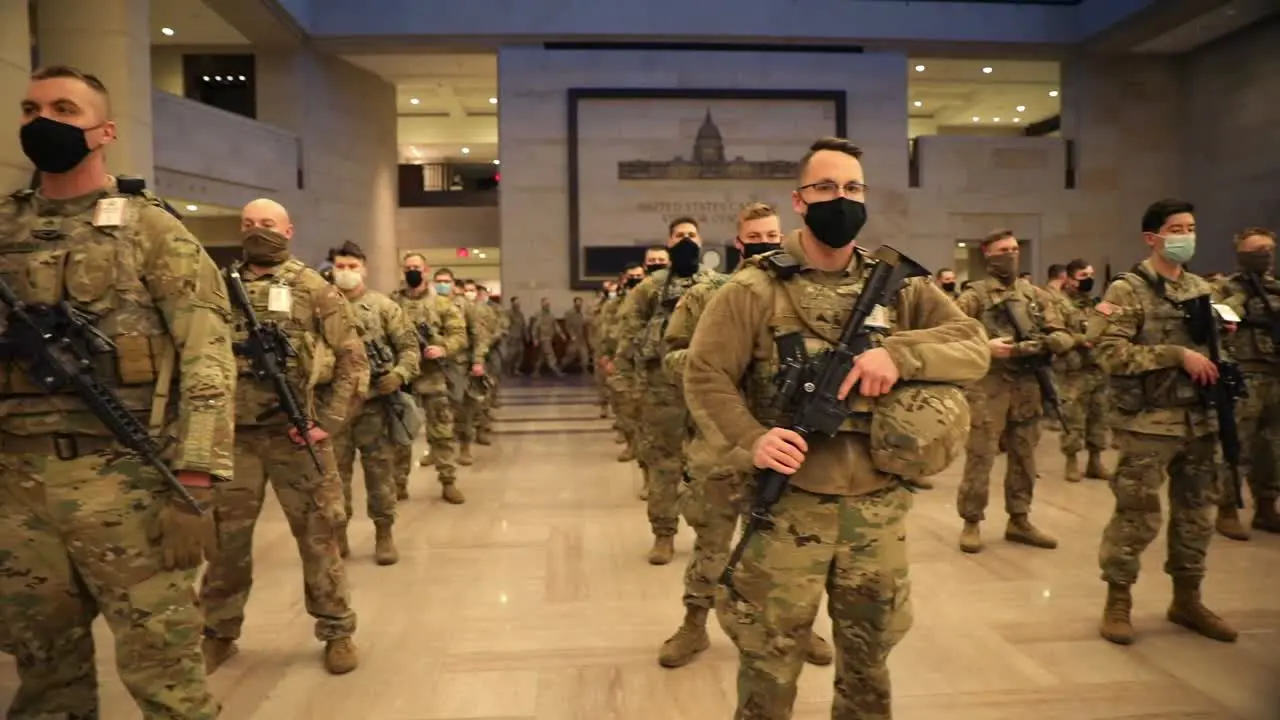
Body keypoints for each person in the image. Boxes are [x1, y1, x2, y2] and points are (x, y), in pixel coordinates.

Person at [685, 137, 987, 719]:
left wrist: (898, 356)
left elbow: (971, 346)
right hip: (787, 510)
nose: (840, 199)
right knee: (769, 670)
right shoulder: (753, 289)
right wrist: (754, 440)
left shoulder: (899, 285)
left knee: (869, 668)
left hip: (877, 513)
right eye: (826, 188)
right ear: (800, 201)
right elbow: (705, 375)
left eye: (852, 188)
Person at [0, 65, 232, 718]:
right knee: (44, 675)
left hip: (127, 478)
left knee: (168, 678)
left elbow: (207, 359)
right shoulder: (2, 228)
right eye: (31, 107)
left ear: (103, 131)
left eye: (63, 109)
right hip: (15, 484)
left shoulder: (150, 229)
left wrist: (197, 482)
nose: (42, 120)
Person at [658, 201, 833, 670]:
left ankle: (800, 626)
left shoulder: (799, 295)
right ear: (738, 242)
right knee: (712, 544)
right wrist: (713, 363)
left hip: (786, 442)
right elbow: (672, 358)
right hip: (723, 445)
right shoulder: (706, 295)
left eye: (773, 237)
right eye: (754, 238)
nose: (765, 245)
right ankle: (694, 625)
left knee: (793, 547)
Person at [199, 199, 366, 675]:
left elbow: (352, 362)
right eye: (249, 224)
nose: (257, 231)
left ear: (289, 230)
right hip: (234, 439)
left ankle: (337, 630)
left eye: (267, 224)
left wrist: (325, 425)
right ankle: (218, 631)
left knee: (319, 538)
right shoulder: (218, 286)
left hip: (298, 438)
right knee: (225, 543)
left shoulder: (315, 288)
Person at [1089, 198, 1237, 646]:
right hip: (1148, 423)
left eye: (1190, 227)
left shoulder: (1200, 289)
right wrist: (1175, 355)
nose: (1185, 236)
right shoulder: (1126, 290)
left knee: (1197, 514)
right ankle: (1119, 600)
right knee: (1136, 515)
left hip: (1200, 420)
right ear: (1152, 238)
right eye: (1176, 228)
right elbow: (1106, 351)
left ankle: (1187, 598)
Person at [954, 230, 1071, 553]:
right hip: (987, 387)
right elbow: (950, 336)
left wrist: (1037, 345)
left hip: (1028, 386)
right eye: (1003, 250)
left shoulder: (1035, 296)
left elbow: (1062, 335)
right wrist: (985, 346)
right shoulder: (973, 296)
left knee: (1026, 457)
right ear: (987, 255)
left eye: (1015, 249)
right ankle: (972, 521)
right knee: (981, 456)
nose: (1011, 254)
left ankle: (1019, 519)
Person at [619, 218, 722, 564]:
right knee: (664, 464)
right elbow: (628, 332)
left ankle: (711, 535)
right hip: (661, 392)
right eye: (680, 236)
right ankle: (663, 533)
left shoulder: (717, 285)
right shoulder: (649, 288)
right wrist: (633, 381)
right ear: (668, 241)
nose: (687, 241)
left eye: (692, 235)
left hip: (708, 389)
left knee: (712, 465)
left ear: (701, 240)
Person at [330, 241, 420, 564]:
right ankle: (338, 537)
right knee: (332, 477)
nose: (346, 273)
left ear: (364, 269)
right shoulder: (319, 306)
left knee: (379, 472)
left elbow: (410, 349)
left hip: (374, 407)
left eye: (352, 267)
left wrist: (398, 375)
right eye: (340, 267)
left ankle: (384, 534)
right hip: (333, 408)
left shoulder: (384, 307)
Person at [1211, 227, 1280, 540]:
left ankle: (1267, 506)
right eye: (1256, 252)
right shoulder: (1225, 289)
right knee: (1236, 445)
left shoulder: (1276, 289)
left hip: (1275, 376)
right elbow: (1214, 324)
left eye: (1268, 250)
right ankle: (1227, 508)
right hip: (1242, 376)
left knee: (1273, 446)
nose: (1264, 257)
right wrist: (1240, 301)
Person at [391, 253, 468, 503]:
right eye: (408, 267)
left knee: (441, 431)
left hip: (433, 376)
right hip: (403, 378)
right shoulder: (392, 303)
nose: (413, 271)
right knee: (401, 433)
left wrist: (443, 347)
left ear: (426, 270)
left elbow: (459, 335)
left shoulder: (442, 304)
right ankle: (399, 483)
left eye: (417, 267)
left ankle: (448, 481)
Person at [1049, 258, 1112, 482]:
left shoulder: (1094, 303)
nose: (1089, 280)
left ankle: (1095, 461)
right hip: (1073, 370)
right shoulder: (1060, 304)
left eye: (1091, 275)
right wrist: (1080, 339)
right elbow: (1056, 335)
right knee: (1073, 418)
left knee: (1099, 416)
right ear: (1070, 279)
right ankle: (1072, 461)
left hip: (1097, 368)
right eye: (1084, 276)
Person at [456, 278, 500, 464]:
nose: (469, 293)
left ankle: (482, 430)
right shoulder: (456, 309)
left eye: (472, 290)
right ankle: (457, 441)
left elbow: (496, 329)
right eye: (466, 290)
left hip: (484, 358)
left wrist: (487, 345)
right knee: (458, 404)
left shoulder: (487, 310)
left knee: (481, 398)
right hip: (460, 361)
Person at [530, 297, 565, 376]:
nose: (547, 306)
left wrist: (561, 334)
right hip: (542, 338)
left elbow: (555, 325)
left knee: (542, 356)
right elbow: (535, 328)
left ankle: (535, 371)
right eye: (546, 304)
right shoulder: (538, 314)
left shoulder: (551, 315)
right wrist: (535, 338)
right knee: (550, 354)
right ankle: (556, 370)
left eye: (548, 304)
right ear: (542, 304)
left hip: (549, 337)